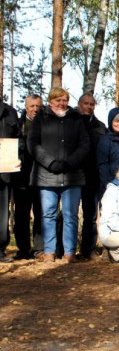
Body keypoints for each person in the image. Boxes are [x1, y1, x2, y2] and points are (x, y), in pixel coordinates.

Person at [28, 88, 90, 263]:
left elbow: (85, 144)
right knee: (48, 215)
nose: (62, 103)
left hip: (73, 176)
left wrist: (70, 162)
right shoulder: (41, 119)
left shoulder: (76, 119)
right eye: (58, 100)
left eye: (65, 100)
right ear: (50, 102)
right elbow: (32, 144)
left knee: (70, 215)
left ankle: (69, 252)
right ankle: (49, 251)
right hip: (46, 176)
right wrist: (50, 163)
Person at [13, 94, 43, 260]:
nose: (35, 109)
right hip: (22, 176)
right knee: (22, 214)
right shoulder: (18, 126)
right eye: (32, 106)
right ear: (26, 107)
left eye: (38, 106)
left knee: (41, 213)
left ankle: (39, 249)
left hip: (41, 176)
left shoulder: (46, 124)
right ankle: (23, 249)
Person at [77, 93, 106, 259]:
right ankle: (64, 249)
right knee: (69, 215)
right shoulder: (70, 123)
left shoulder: (100, 127)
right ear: (79, 104)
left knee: (91, 216)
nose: (89, 107)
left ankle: (89, 249)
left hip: (93, 177)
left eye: (92, 104)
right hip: (72, 176)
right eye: (86, 103)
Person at [0, 100, 20, 263]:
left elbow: (18, 139)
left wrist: (17, 157)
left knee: (1, 213)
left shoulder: (10, 112)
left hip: (4, 172)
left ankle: (0, 249)